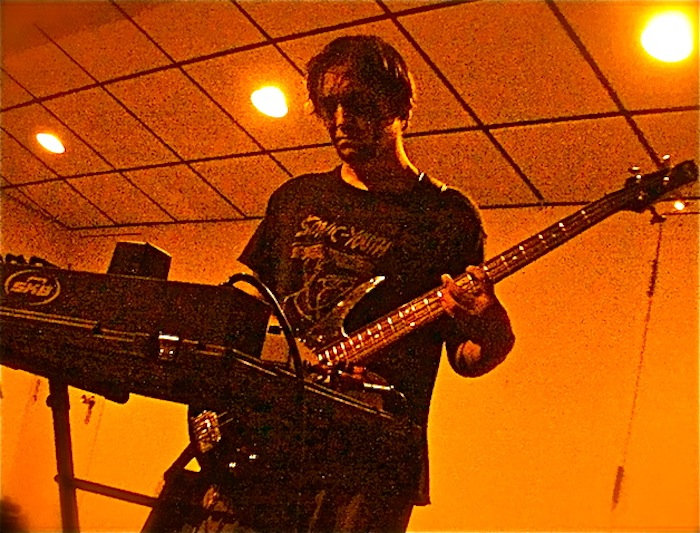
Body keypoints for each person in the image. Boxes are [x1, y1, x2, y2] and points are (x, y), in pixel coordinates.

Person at [144, 34, 514, 533]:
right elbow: (244, 311)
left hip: (367, 467)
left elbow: (467, 358)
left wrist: (490, 323)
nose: (341, 120)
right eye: (328, 106)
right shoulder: (296, 197)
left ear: (401, 107)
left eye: (358, 103)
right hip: (259, 444)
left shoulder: (448, 216)